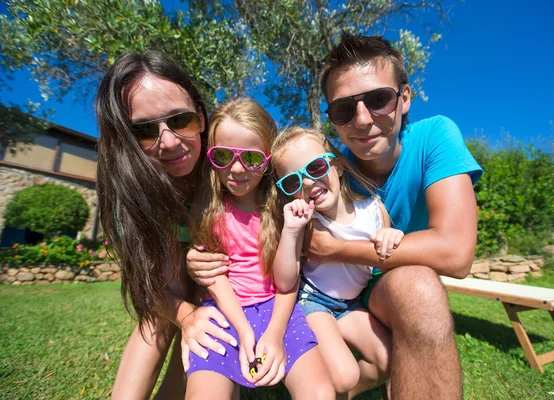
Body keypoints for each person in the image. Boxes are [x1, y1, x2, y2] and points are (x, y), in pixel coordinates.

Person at [188, 32, 483, 399]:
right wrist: (199, 256)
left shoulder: (434, 137)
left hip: (380, 284)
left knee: (417, 288)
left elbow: (456, 253)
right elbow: (262, 218)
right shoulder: (321, 174)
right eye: (344, 108)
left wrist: (334, 249)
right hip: (333, 297)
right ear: (332, 117)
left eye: (378, 99)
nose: (362, 119)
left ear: (404, 98)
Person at [95, 50, 236, 399]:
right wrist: (185, 316)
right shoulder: (131, 191)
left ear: (201, 117)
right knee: (164, 312)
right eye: (144, 130)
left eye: (180, 120)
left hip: (222, 280)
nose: (169, 142)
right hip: (168, 283)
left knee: (208, 306)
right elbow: (149, 284)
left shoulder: (228, 163)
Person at [185, 98, 334, 399]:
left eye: (251, 158)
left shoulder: (284, 209)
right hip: (225, 312)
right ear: (211, 156)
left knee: (320, 393)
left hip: (280, 310)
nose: (237, 169)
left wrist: (275, 333)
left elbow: (289, 282)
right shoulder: (207, 209)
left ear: (267, 160)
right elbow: (216, 277)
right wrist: (244, 330)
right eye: (223, 155)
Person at [269, 127, 397, 398]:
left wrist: (391, 235)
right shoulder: (307, 224)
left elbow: (388, 265)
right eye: (293, 181)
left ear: (337, 165)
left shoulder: (373, 209)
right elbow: (284, 277)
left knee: (386, 361)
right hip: (313, 301)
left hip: (351, 305)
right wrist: (292, 231)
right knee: (344, 375)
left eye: (316, 167)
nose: (306, 183)